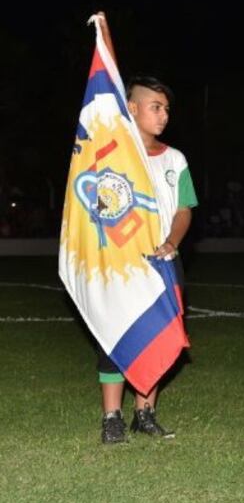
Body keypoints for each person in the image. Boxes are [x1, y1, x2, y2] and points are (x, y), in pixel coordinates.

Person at [99, 77, 198, 444]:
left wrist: (171, 241)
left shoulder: (176, 159)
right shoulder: (111, 155)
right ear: (133, 108)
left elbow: (184, 208)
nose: (164, 115)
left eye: (167, 108)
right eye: (155, 107)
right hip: (123, 265)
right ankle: (112, 418)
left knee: (160, 337)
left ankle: (145, 413)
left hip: (164, 263)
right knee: (115, 337)